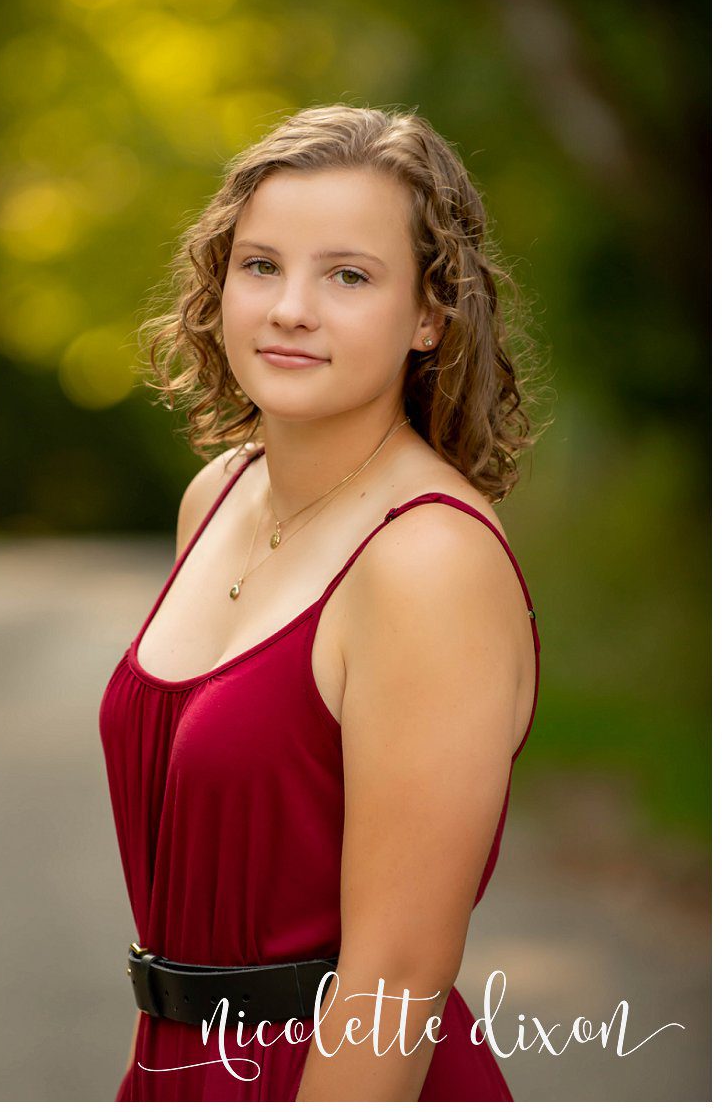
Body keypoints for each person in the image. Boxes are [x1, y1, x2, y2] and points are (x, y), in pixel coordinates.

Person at [100, 106, 541, 1100]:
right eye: (258, 266)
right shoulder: (214, 497)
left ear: (429, 315)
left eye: (346, 275)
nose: (288, 308)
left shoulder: (426, 560)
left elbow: (395, 976)